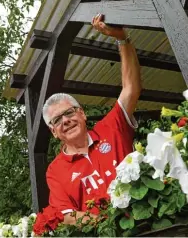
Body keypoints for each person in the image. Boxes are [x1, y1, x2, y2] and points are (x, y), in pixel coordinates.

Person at [43, 14, 141, 225]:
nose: (66, 121)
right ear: (53, 131)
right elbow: (68, 216)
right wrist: (110, 226)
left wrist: (122, 39)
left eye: (69, 113)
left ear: (82, 113)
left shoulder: (112, 127)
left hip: (151, 224)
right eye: (57, 120)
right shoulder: (55, 170)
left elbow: (131, 89)